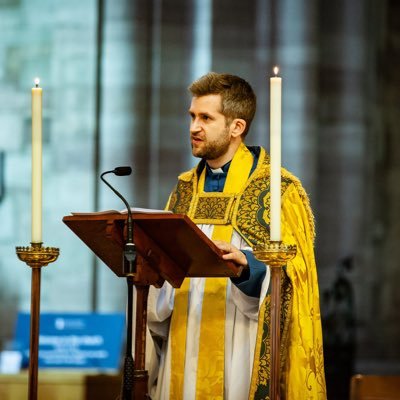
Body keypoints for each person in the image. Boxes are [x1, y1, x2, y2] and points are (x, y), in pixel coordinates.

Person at [146, 72, 326, 399]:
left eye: (205, 118)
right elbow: (161, 293)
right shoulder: (184, 190)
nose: (193, 127)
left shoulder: (277, 192)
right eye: (192, 117)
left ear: (236, 127)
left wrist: (249, 267)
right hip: (182, 348)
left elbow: (298, 283)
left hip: (241, 350)